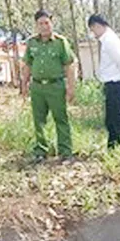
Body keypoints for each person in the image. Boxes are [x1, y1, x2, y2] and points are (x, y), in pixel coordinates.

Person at [21, 9, 77, 163]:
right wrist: (24, 85)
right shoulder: (31, 43)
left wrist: (71, 88)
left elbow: (69, 66)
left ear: (52, 23)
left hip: (56, 86)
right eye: (40, 24)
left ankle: (65, 152)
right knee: (39, 120)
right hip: (37, 87)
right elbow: (27, 65)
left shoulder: (60, 42)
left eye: (47, 23)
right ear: (36, 26)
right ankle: (41, 151)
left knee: (61, 119)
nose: (44, 26)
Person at [88, 14, 120, 149]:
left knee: (117, 118)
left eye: (93, 30)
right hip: (112, 84)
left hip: (117, 84)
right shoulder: (107, 40)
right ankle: (113, 147)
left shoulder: (110, 41)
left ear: (98, 26)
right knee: (110, 120)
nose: (93, 33)